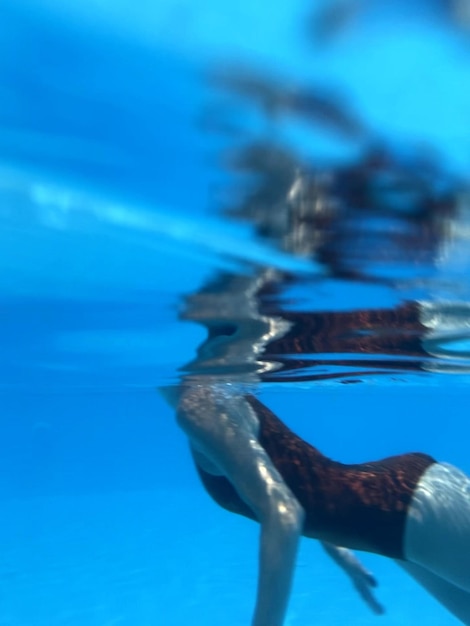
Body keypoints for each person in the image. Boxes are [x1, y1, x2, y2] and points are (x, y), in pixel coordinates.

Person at [164, 383, 470, 626]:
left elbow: (283, 513)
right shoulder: (211, 399)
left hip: (410, 505)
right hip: (399, 515)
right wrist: (337, 548)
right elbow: (303, 479)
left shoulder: (200, 407)